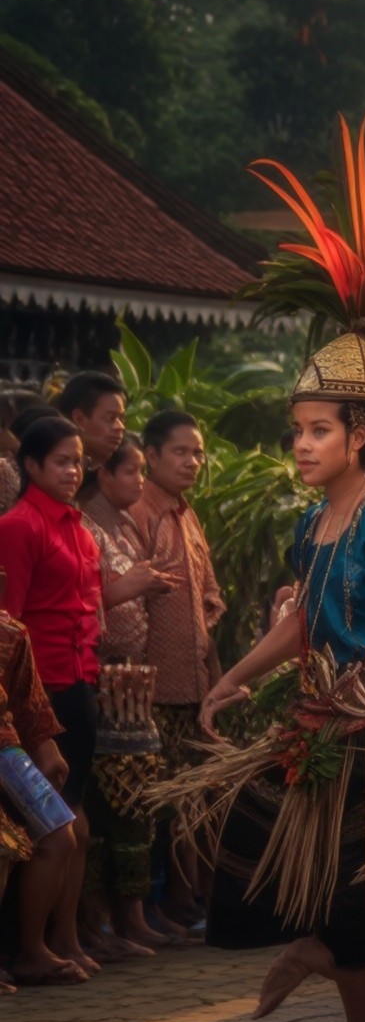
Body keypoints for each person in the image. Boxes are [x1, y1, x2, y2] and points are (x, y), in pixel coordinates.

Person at [168, 124, 365, 1022]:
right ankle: (328, 975)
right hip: (318, 713)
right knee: (290, 858)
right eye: (297, 430)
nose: (300, 445)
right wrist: (230, 680)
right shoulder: (311, 527)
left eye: (318, 430)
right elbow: (297, 625)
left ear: (364, 434)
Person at [0, 417, 103, 980]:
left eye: (78, 460)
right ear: (31, 467)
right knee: (45, 826)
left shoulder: (79, 528)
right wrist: (24, 718)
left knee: (74, 821)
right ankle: (29, 945)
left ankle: (64, 936)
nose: (73, 470)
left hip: (76, 683)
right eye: (61, 460)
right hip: (33, 696)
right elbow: (7, 623)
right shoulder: (20, 526)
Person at [82, 434, 177, 956]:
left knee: (134, 803)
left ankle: (133, 916)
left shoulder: (112, 525)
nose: (139, 481)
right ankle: (97, 921)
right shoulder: (84, 527)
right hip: (95, 677)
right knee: (104, 806)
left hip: (129, 681)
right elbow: (82, 604)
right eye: (132, 470)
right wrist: (129, 587)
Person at [130, 407, 224, 928]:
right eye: (181, 452)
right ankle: (156, 902)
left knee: (193, 793)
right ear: (151, 456)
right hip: (152, 685)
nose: (193, 461)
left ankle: (188, 898)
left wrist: (217, 680)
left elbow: (210, 600)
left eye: (198, 452)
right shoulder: (139, 512)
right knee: (155, 799)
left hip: (193, 683)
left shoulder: (188, 515)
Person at [0, 585, 75, 987]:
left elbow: (29, 707)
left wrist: (48, 753)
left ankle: (32, 951)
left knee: (61, 836)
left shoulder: (10, 634)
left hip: (6, 748)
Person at [55, 370, 128, 493]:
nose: (120, 427)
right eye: (110, 418)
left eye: (121, 419)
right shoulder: (56, 479)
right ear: (79, 419)